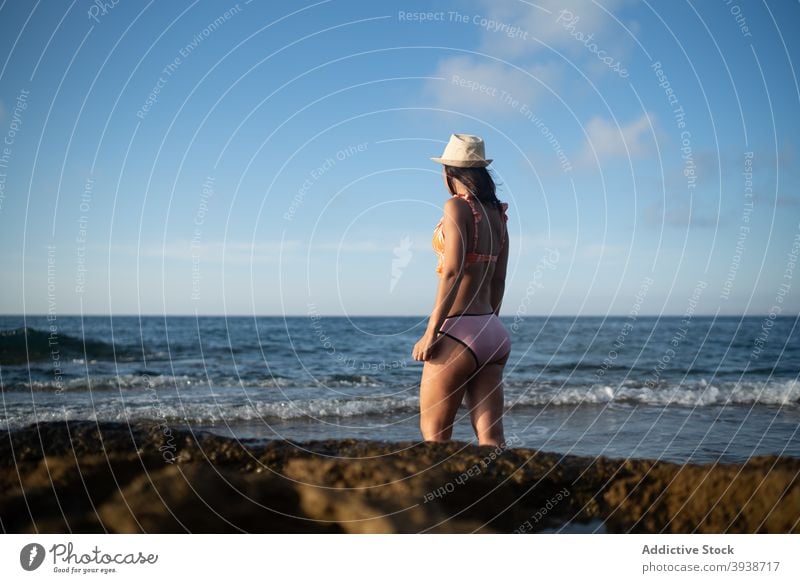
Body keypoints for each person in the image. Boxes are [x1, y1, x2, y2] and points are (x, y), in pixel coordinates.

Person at [412, 133, 511, 447]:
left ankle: (442, 497)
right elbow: (498, 279)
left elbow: (453, 271)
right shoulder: (498, 214)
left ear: (448, 172)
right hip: (492, 331)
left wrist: (432, 332)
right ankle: (503, 495)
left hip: (457, 331)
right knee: (492, 439)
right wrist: (487, 325)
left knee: (435, 437)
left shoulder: (456, 207)